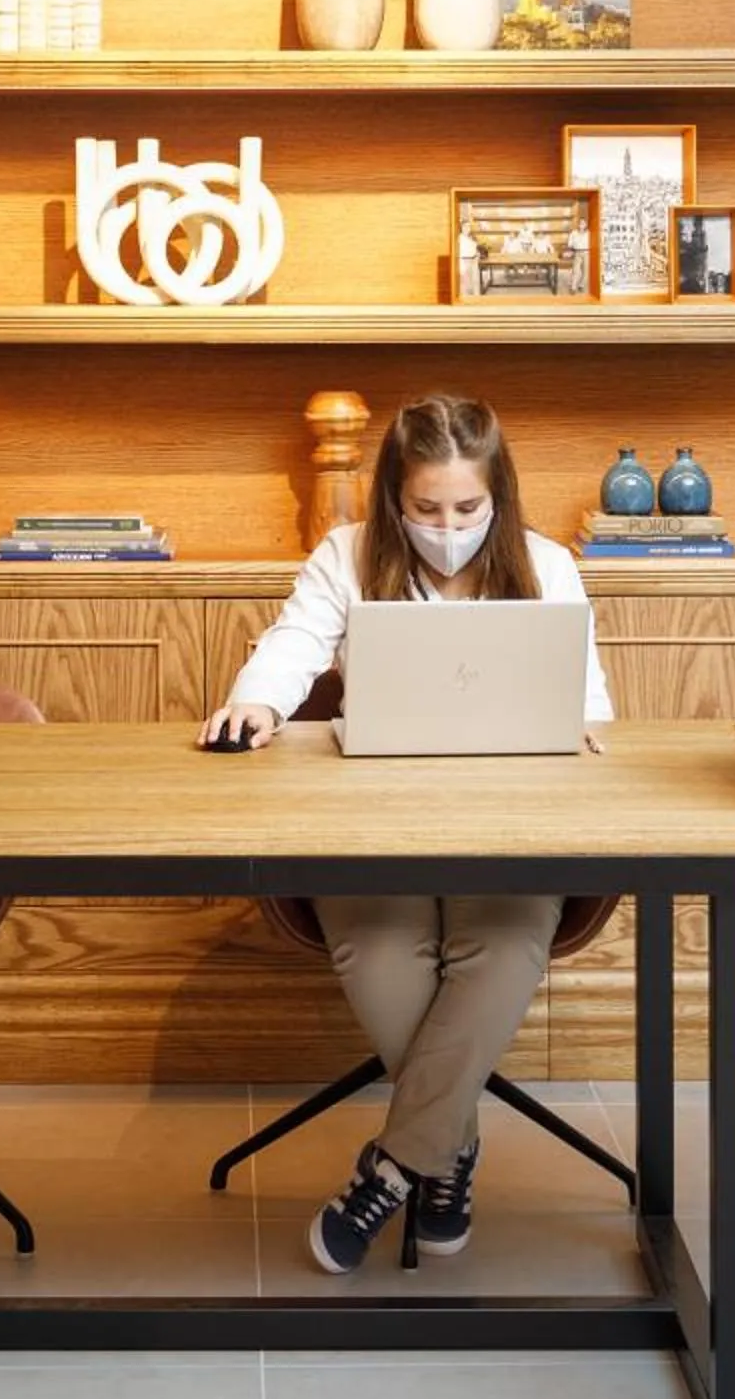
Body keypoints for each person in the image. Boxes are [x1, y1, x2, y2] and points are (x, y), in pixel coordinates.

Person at [199, 395, 612, 1273]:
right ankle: (447, 1147)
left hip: (513, 823)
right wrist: (258, 701)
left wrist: (573, 724)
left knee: (500, 950)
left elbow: (589, 705)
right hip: (370, 820)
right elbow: (292, 646)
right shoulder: (343, 557)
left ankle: (392, 1166)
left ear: (498, 494)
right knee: (381, 949)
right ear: (394, 497)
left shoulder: (546, 564)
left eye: (468, 509)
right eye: (426, 509)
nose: (448, 528)